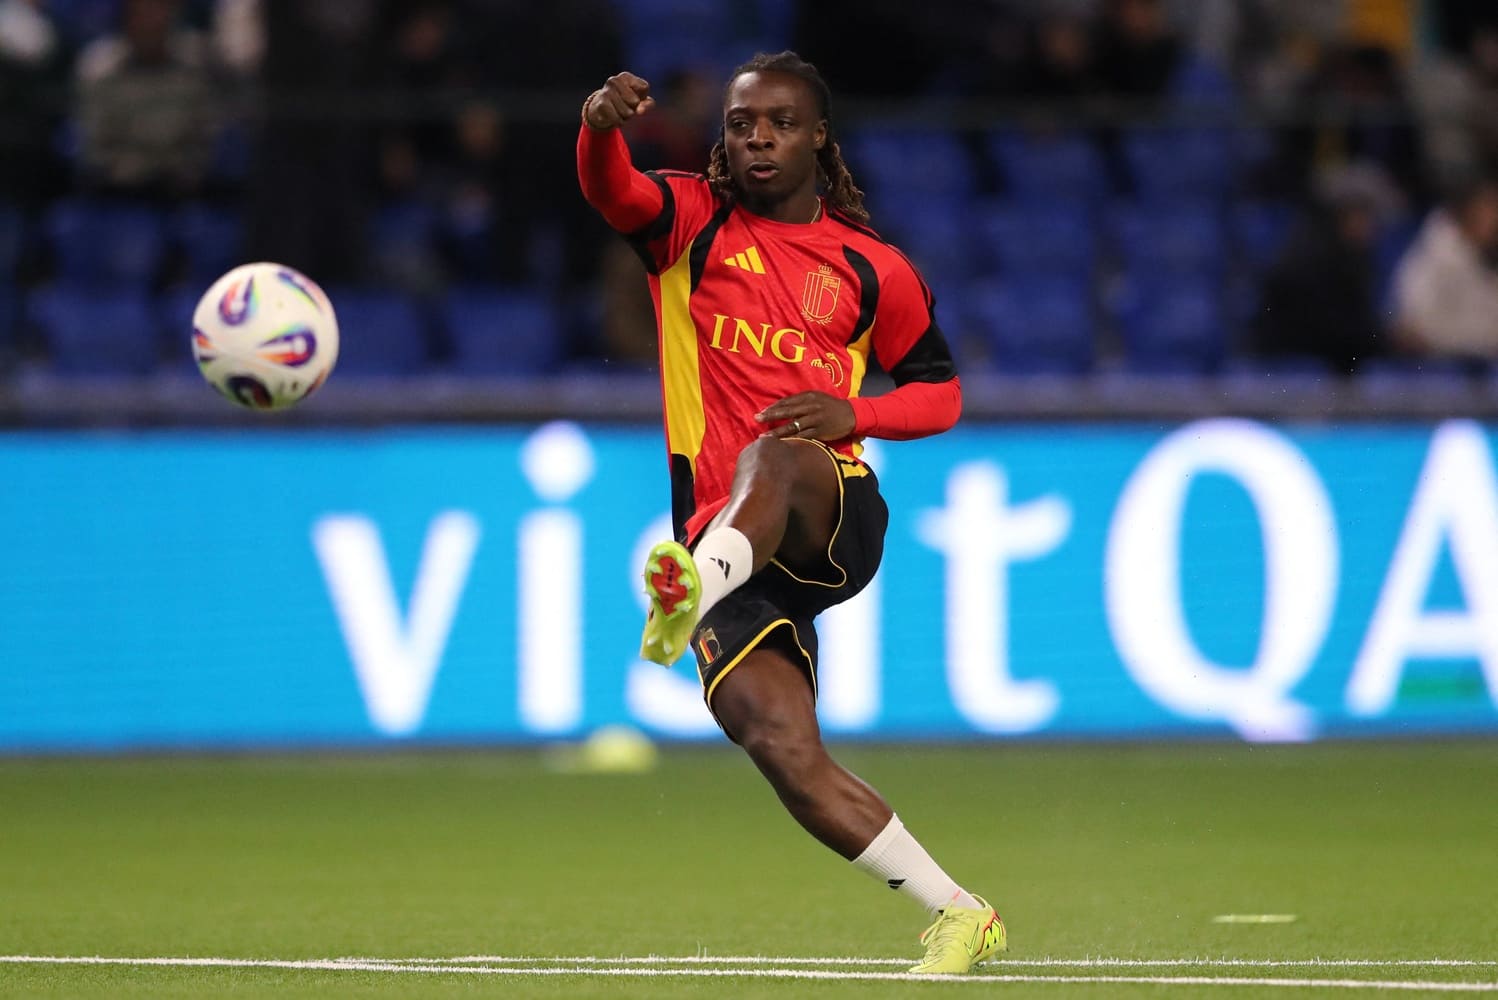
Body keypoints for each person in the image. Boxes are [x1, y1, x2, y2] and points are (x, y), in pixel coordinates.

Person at [577, 51, 1005, 976]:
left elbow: (940, 393)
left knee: (770, 451)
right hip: (727, 538)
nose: (758, 138)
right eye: (740, 125)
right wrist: (599, 129)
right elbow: (612, 191)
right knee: (779, 744)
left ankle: (691, 588)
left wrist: (857, 414)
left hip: (828, 513)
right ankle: (962, 914)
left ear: (818, 138)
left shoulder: (872, 267)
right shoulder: (689, 223)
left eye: (779, 123)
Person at [1390, 174, 1498, 363]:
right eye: (1490, 208)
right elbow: (1413, 329)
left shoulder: (1488, 256)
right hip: (1436, 370)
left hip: (1485, 369)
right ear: (1468, 211)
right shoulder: (1431, 257)